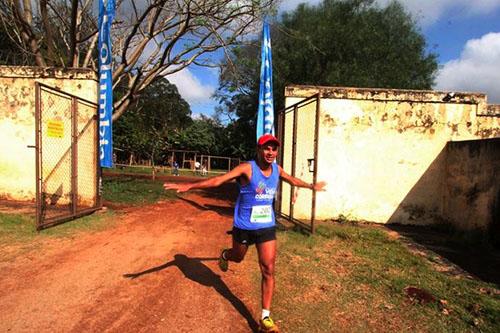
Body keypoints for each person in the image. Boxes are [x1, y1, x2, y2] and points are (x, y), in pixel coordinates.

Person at [163, 134, 326, 333]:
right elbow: (218, 181)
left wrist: (311, 186)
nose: (270, 152)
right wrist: (189, 186)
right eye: (267, 148)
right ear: (259, 149)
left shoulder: (277, 169)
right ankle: (225, 255)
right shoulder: (247, 168)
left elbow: (292, 180)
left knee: (268, 268)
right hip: (244, 227)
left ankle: (265, 316)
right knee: (238, 257)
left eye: (274, 149)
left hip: (266, 226)